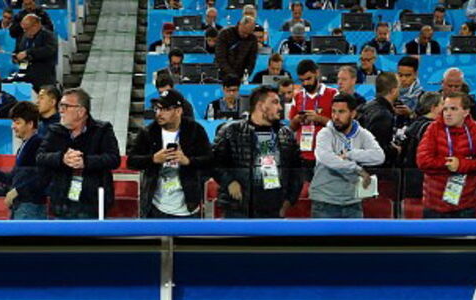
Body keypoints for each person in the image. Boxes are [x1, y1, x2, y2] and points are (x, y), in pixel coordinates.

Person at [212, 86, 301, 218]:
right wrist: (229, 181)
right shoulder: (231, 131)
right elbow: (213, 162)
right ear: (260, 106)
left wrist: (288, 201)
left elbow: (297, 171)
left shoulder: (285, 134)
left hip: (274, 208)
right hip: (239, 208)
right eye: (275, 102)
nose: (280, 108)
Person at [36, 88, 121, 219]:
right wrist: (62, 158)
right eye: (60, 106)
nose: (61, 110)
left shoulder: (102, 130)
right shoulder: (54, 131)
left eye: (65, 106)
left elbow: (113, 159)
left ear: (81, 111)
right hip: (60, 201)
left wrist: (85, 161)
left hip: (92, 202)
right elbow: (40, 157)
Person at [127, 89, 213, 219]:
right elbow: (131, 161)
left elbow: (209, 160)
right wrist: (153, 159)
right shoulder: (148, 132)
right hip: (155, 207)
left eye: (165, 109)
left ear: (178, 111)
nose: (159, 113)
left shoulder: (195, 130)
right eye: (157, 109)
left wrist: (188, 161)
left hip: (188, 207)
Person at [416, 92, 476, 218]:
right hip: (435, 206)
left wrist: (462, 165)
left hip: (466, 205)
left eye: (453, 109)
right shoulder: (433, 129)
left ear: (466, 112)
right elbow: (423, 161)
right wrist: (447, 164)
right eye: (445, 109)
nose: (448, 113)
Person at [309, 93, 384, 218]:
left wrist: (351, 154)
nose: (335, 117)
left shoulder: (363, 134)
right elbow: (326, 158)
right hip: (325, 201)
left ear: (353, 114)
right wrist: (357, 169)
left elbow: (379, 156)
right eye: (333, 112)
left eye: (341, 112)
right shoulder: (325, 133)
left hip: (353, 202)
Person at [0, 102, 47, 219]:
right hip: (20, 207)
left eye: (17, 122)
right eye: (13, 122)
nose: (13, 126)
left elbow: (42, 177)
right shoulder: (25, 146)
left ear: (30, 124)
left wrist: (17, 191)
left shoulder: (38, 144)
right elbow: (12, 179)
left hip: (30, 208)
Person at [289, 59, 337, 170]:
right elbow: (291, 127)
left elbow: (339, 125)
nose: (305, 83)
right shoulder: (297, 97)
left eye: (308, 79)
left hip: (327, 155)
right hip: (303, 156)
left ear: (317, 73)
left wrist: (318, 118)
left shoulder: (333, 94)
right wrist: (297, 119)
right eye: (302, 80)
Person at [397, 91, 442, 198]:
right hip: (423, 179)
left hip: (410, 176)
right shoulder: (430, 128)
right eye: (442, 104)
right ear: (433, 108)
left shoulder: (415, 123)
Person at [357, 72, 400, 166]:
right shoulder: (383, 115)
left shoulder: (365, 106)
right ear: (393, 91)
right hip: (375, 169)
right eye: (398, 88)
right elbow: (378, 149)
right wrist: (395, 150)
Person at [13, 12, 58, 89]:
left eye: (27, 28)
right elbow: (20, 51)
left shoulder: (48, 35)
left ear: (36, 25)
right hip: (27, 76)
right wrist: (17, 57)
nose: (25, 31)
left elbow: (49, 50)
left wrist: (28, 52)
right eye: (23, 29)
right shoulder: (25, 38)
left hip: (44, 77)